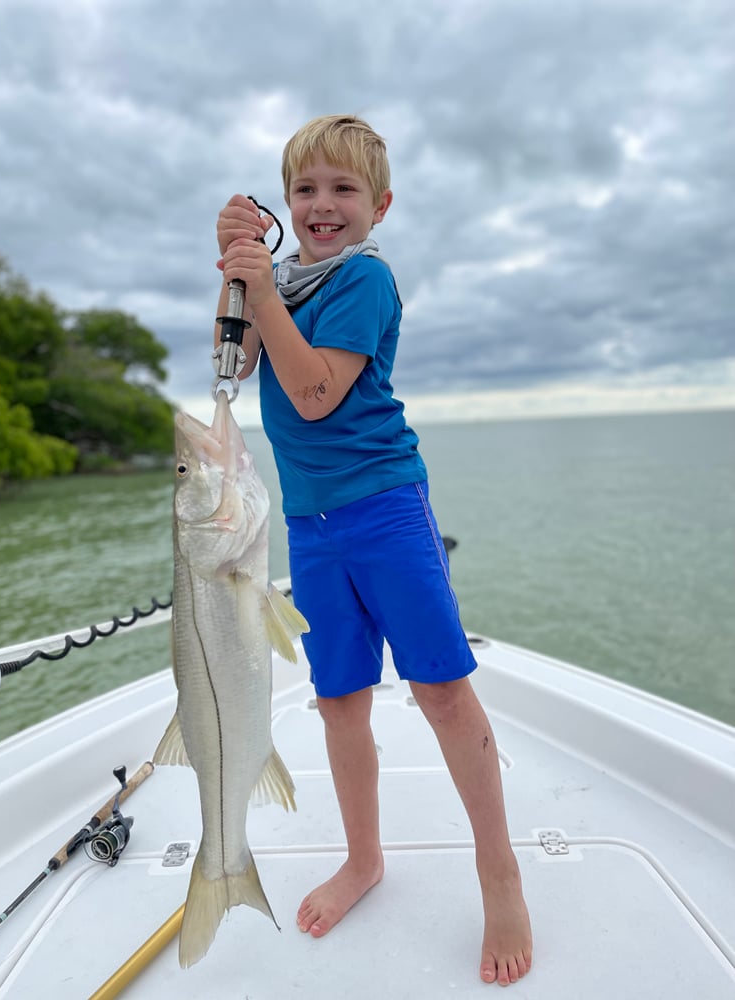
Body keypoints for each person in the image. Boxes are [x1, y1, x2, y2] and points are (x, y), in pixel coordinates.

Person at [214, 114, 532, 987]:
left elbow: (314, 395)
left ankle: (498, 869)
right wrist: (236, 269)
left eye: (343, 190)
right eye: (305, 190)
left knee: (440, 691)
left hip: (386, 511)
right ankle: (364, 858)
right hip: (312, 528)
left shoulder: (364, 280)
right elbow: (233, 363)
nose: (323, 206)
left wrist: (265, 294)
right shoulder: (281, 278)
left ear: (378, 205)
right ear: (285, 203)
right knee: (339, 700)